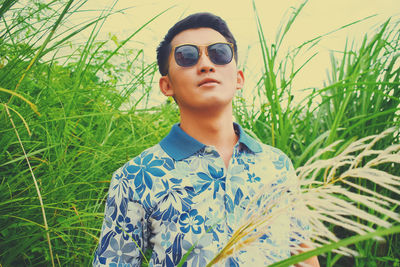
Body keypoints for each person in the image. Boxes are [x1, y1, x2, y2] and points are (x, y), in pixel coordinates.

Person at [93, 12, 320, 267]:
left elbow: (303, 255)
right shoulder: (136, 177)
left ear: (238, 78)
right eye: (187, 56)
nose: (206, 64)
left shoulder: (277, 164)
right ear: (166, 85)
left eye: (219, 53)